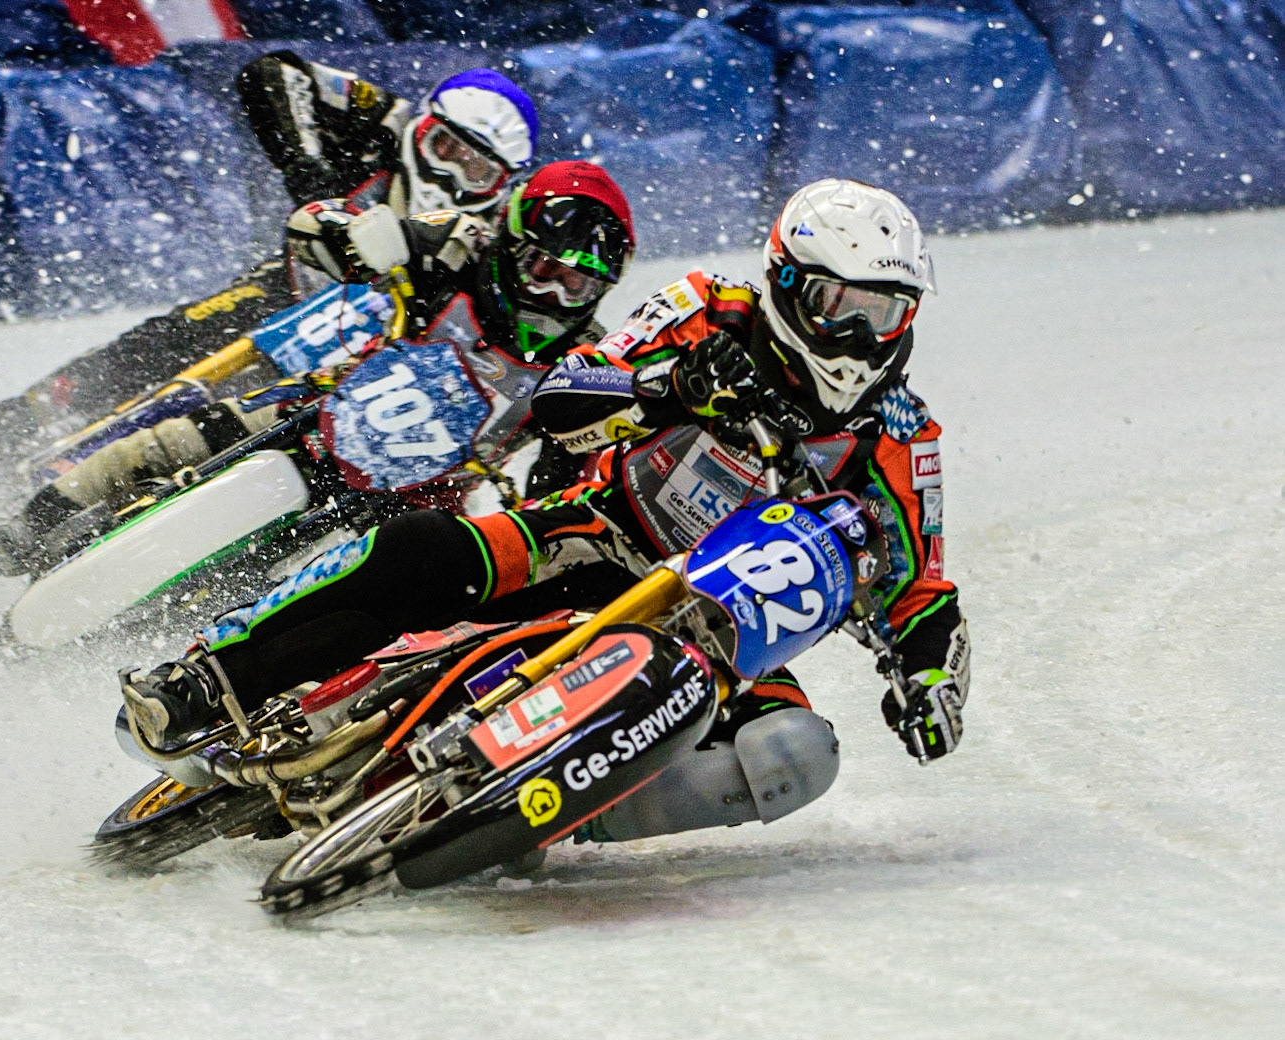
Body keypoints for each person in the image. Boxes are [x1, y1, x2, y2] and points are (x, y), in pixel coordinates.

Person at [118, 178, 971, 845]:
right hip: (591, 537)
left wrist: (931, 679)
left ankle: (558, 822)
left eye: (885, 312)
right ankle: (204, 680)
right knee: (417, 548)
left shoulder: (900, 434)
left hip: (721, 629)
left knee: (793, 754)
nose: (862, 338)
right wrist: (669, 386)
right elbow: (566, 389)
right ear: (787, 283)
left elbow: (918, 582)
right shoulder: (710, 309)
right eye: (840, 309)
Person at [0, 160, 636, 578]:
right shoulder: (456, 245)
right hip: (328, 406)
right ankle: (21, 530)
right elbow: (318, 225)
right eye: (544, 267)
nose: (551, 293)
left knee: (326, 581)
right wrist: (349, 239)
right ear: (512, 240)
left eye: (575, 284)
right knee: (170, 441)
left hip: (421, 493)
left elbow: (576, 464)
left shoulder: (581, 363)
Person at [0, 56, 539, 478]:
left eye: (478, 170)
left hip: (392, 340)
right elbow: (273, 73)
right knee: (170, 338)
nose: (453, 175)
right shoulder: (388, 121)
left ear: (503, 184)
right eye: (446, 150)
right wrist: (308, 172)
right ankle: (9, 430)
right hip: (300, 282)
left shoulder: (505, 231)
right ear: (422, 131)